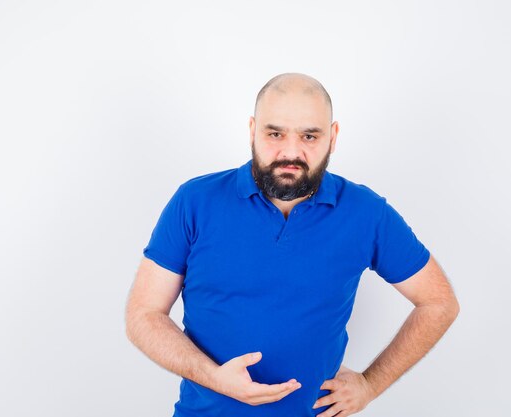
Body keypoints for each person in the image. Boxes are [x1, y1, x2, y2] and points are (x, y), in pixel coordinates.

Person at [125, 72, 460, 417]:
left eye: (309, 136)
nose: (291, 152)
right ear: (252, 130)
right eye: (275, 133)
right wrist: (214, 378)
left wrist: (370, 385)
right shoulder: (195, 201)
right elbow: (144, 314)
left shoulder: (367, 213)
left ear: (333, 137)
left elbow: (438, 302)